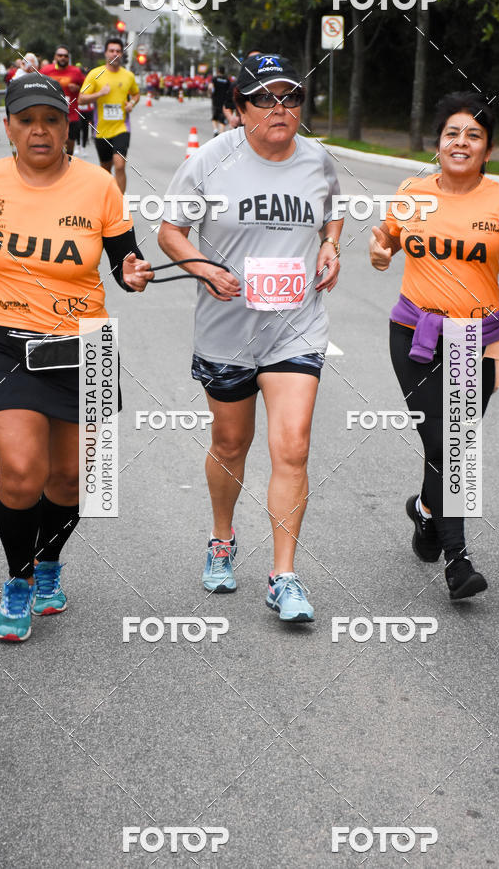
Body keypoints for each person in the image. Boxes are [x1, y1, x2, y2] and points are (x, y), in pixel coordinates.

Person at [156, 53, 342, 623]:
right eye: (264, 98)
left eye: (289, 97)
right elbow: (169, 231)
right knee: (231, 444)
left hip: (296, 328)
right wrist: (205, 269)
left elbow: (332, 212)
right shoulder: (210, 162)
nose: (279, 108)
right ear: (238, 110)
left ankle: (283, 575)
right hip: (227, 333)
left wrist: (331, 245)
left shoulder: (317, 160)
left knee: (293, 446)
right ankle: (221, 537)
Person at [0, 75, 152, 642]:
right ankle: (19, 579)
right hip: (1, 341)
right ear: (8, 127)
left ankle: (51, 560)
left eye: (50, 120)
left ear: (67, 128)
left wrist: (132, 274)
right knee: (22, 474)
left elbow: (127, 262)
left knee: (75, 479)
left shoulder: (99, 184)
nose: (38, 130)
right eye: (26, 119)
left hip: (85, 347)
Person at [369, 91, 499, 600]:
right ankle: (459, 562)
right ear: (438, 146)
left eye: (473, 135)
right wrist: (379, 249)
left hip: (478, 340)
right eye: (453, 133)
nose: (461, 142)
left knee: (454, 445)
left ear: (487, 150)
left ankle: (426, 511)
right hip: (415, 335)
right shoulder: (412, 192)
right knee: (446, 444)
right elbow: (384, 238)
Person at [78, 38, 140, 193]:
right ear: (106, 53)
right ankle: (107, 202)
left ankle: (119, 203)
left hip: (121, 128)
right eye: (111, 50)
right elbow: (81, 99)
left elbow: (136, 94)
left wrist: (131, 104)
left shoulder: (128, 76)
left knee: (120, 164)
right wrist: (99, 93)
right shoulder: (95, 74)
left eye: (118, 51)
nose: (115, 54)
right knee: (105, 170)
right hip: (102, 130)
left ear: (122, 54)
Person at [42, 45, 85, 155]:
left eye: (65, 56)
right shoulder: (46, 70)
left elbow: (87, 88)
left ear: (68, 58)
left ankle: (67, 167)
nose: (63, 58)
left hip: (71, 115)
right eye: (60, 55)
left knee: (69, 149)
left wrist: (78, 88)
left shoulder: (76, 72)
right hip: (51, 114)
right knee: (55, 146)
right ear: (55, 57)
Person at [209, 65, 230, 136]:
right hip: (224, 101)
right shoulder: (227, 80)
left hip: (215, 100)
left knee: (215, 116)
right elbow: (229, 90)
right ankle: (221, 134)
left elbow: (210, 87)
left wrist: (211, 93)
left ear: (218, 71)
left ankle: (215, 130)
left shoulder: (214, 79)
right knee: (222, 118)